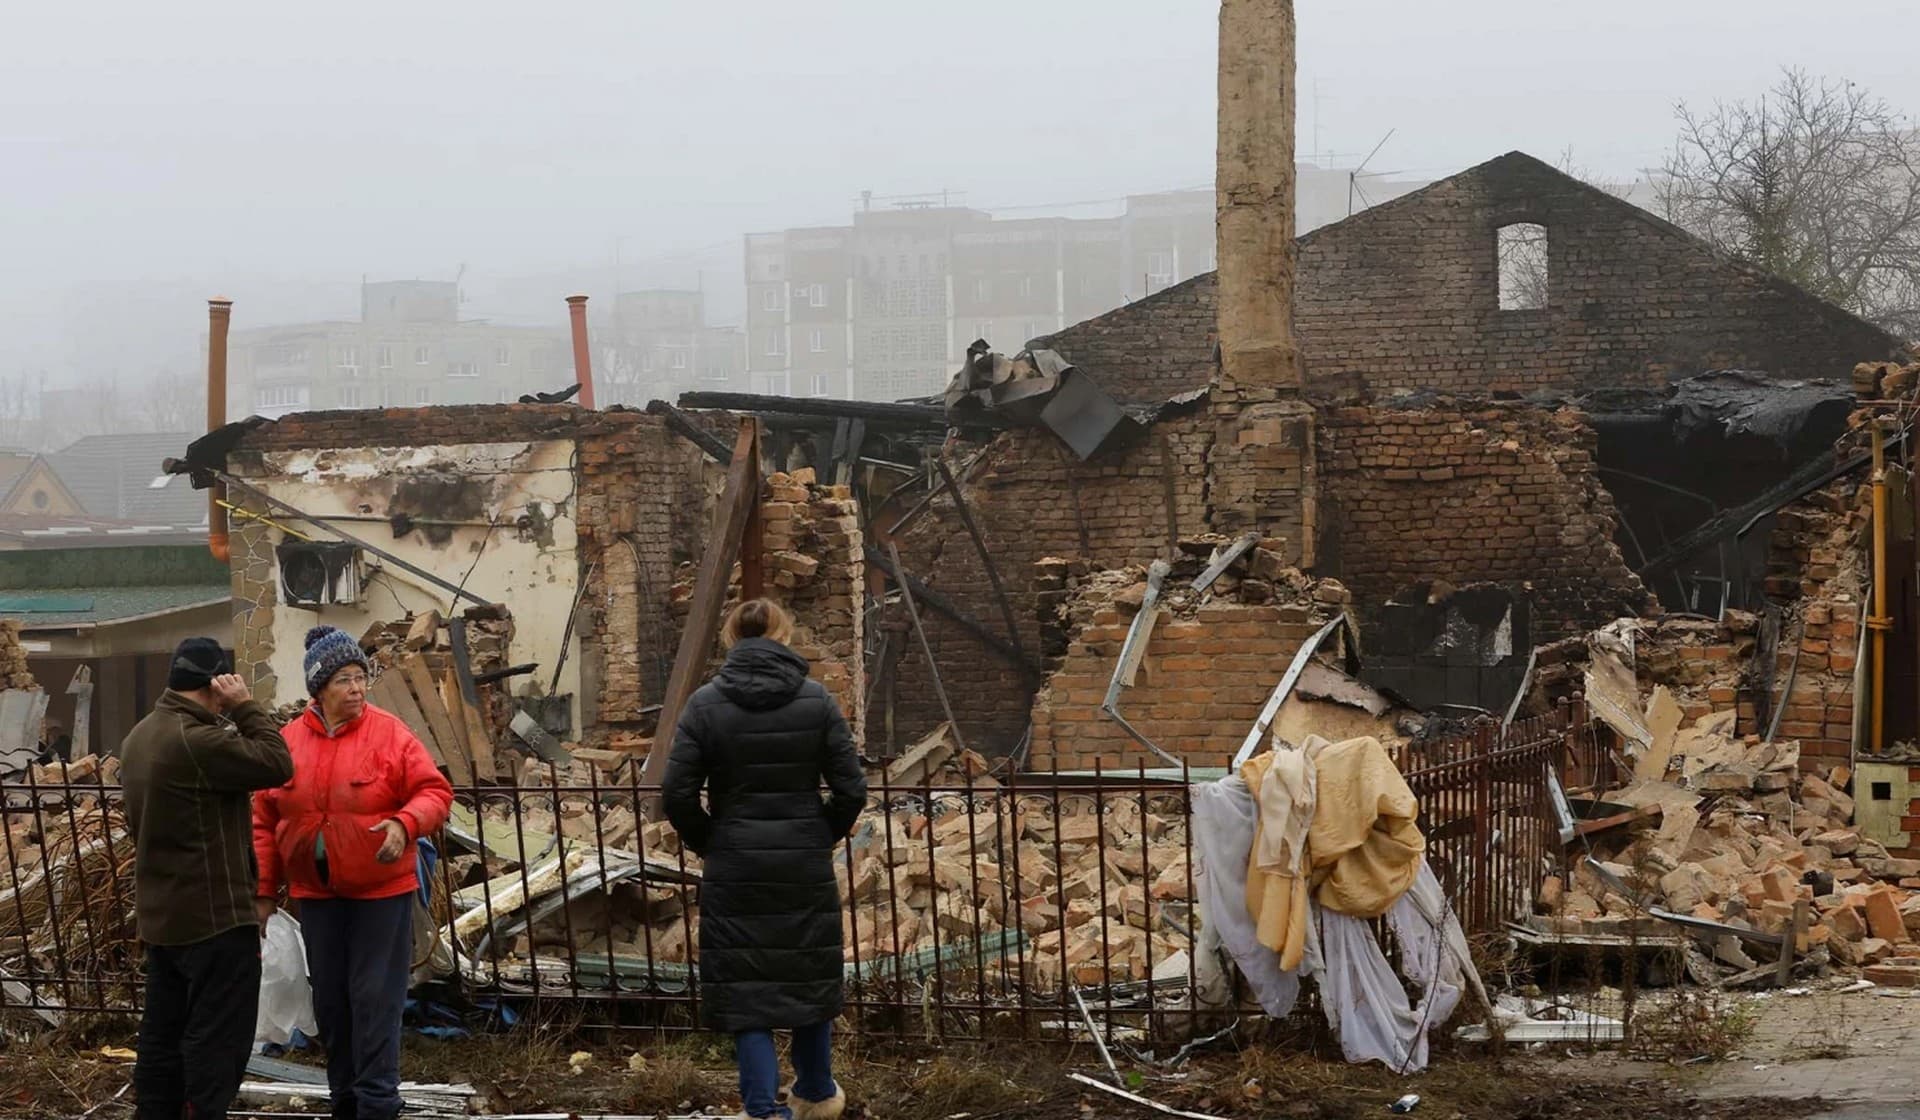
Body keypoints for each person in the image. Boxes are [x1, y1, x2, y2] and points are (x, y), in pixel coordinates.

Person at [665, 599, 866, 1120]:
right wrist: (820, 832)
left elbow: (677, 793)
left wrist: (712, 840)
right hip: (802, 861)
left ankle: (762, 1108)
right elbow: (851, 789)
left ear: (730, 639)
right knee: (808, 976)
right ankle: (818, 1092)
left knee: (745, 987)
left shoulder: (704, 704)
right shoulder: (817, 701)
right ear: (783, 635)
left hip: (735, 862)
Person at [253, 626, 453, 1120]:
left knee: (374, 999)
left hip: (381, 893)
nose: (357, 688)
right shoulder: (289, 743)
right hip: (316, 895)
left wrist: (405, 825)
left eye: (361, 677)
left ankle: (379, 1103)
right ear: (319, 688)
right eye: (344, 679)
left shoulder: (390, 733)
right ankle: (345, 1098)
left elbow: (435, 792)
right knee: (333, 1002)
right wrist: (263, 893)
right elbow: (263, 818)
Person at [121, 637, 294, 1120]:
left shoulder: (140, 736)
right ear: (216, 683)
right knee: (216, 1041)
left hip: (163, 918)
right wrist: (245, 706)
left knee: (163, 1036)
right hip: (215, 922)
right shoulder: (198, 741)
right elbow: (278, 763)